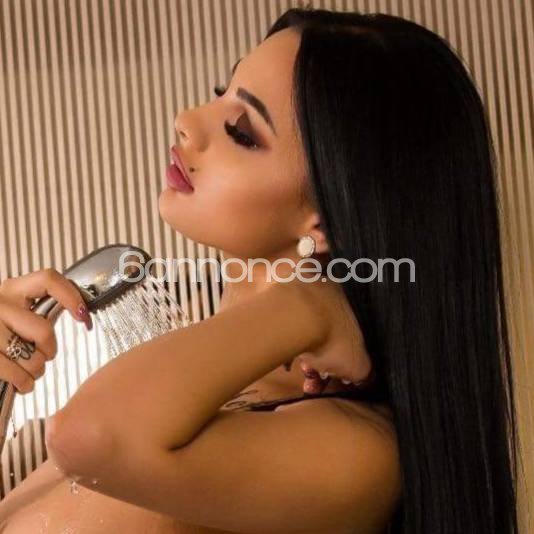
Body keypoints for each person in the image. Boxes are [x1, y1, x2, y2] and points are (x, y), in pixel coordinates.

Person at [0, 6, 519, 533]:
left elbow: (88, 438)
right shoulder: (180, 381)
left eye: (241, 131)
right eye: (221, 90)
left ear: (328, 218)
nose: (187, 119)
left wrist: (312, 304)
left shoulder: (356, 451)